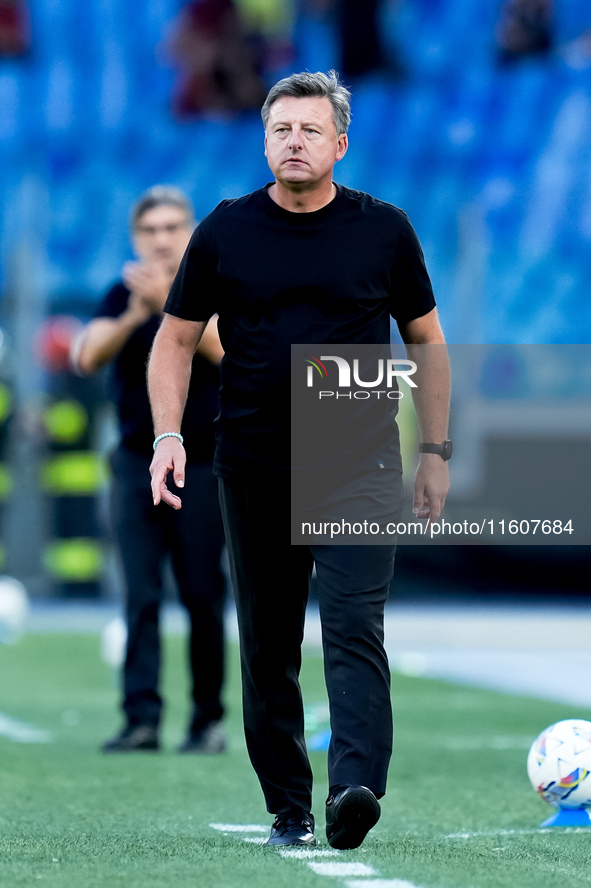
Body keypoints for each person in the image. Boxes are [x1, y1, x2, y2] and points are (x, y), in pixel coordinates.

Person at [148, 72, 451, 847]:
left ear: (339, 144)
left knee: (353, 628)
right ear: (263, 140)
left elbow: (427, 343)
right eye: (281, 129)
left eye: (310, 130)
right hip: (251, 466)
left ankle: (353, 787)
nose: (294, 141)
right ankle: (288, 805)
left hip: (358, 465)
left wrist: (434, 451)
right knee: (269, 644)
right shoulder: (224, 230)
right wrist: (169, 436)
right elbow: (175, 340)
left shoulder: (383, 230)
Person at [74, 186, 227, 755]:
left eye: (171, 228)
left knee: (202, 593)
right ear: (137, 238)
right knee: (139, 593)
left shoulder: (213, 287)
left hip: (204, 465)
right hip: (138, 462)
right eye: (150, 230)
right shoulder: (124, 292)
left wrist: (172, 303)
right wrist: (139, 311)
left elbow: (235, 354)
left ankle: (206, 719)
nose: (162, 239)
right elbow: (86, 355)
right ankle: (141, 718)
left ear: (189, 231)